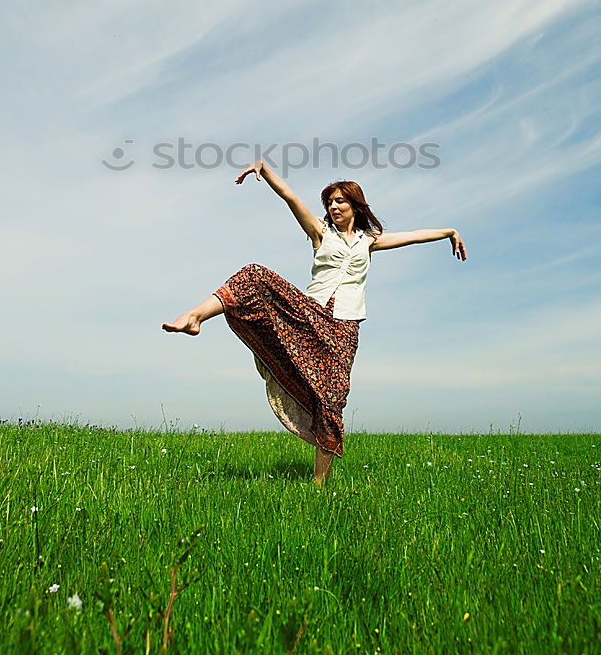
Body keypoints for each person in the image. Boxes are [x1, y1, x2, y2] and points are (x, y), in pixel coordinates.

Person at [162, 162, 467, 487]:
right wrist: (265, 171)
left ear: (355, 206)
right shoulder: (320, 231)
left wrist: (449, 231)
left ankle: (318, 485)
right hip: (310, 313)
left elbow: (414, 237)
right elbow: (291, 198)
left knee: (332, 397)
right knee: (253, 275)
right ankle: (195, 315)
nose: (334, 207)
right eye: (330, 202)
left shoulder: (369, 240)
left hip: (345, 326)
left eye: (340, 201)